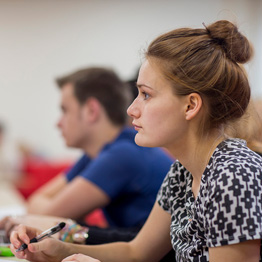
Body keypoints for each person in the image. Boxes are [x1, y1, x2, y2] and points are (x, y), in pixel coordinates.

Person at [10, 20, 262, 262]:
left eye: (146, 95)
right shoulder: (182, 173)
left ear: (190, 105)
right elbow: (137, 253)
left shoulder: (232, 175)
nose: (131, 109)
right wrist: (58, 250)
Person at [1, 67, 173, 245]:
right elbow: (36, 207)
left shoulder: (122, 154)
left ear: (92, 110)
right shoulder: (97, 154)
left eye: (65, 110)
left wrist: (43, 215)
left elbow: (44, 215)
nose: (58, 123)